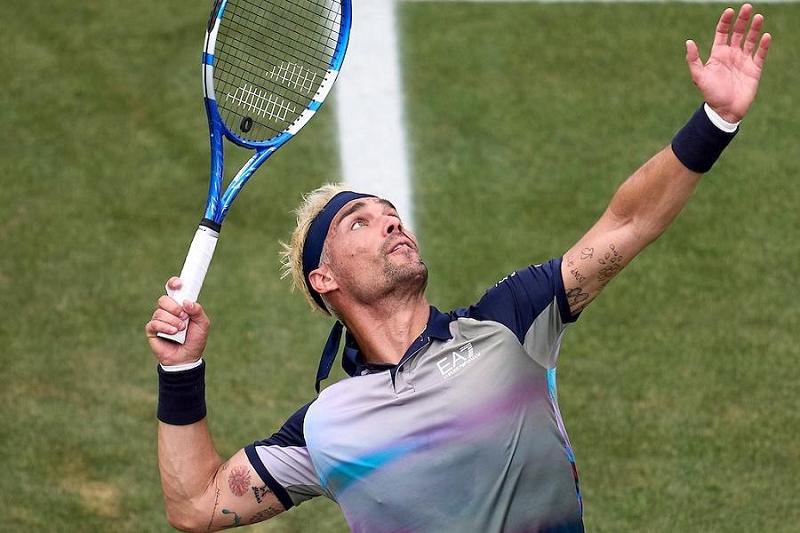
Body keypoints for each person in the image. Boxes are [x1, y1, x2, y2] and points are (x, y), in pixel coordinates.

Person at [145, 5, 771, 532]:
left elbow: (626, 224)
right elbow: (196, 505)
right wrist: (180, 371)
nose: (391, 223)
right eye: (358, 222)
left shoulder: (509, 323)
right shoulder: (325, 428)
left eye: (391, 214)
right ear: (324, 278)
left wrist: (715, 122)